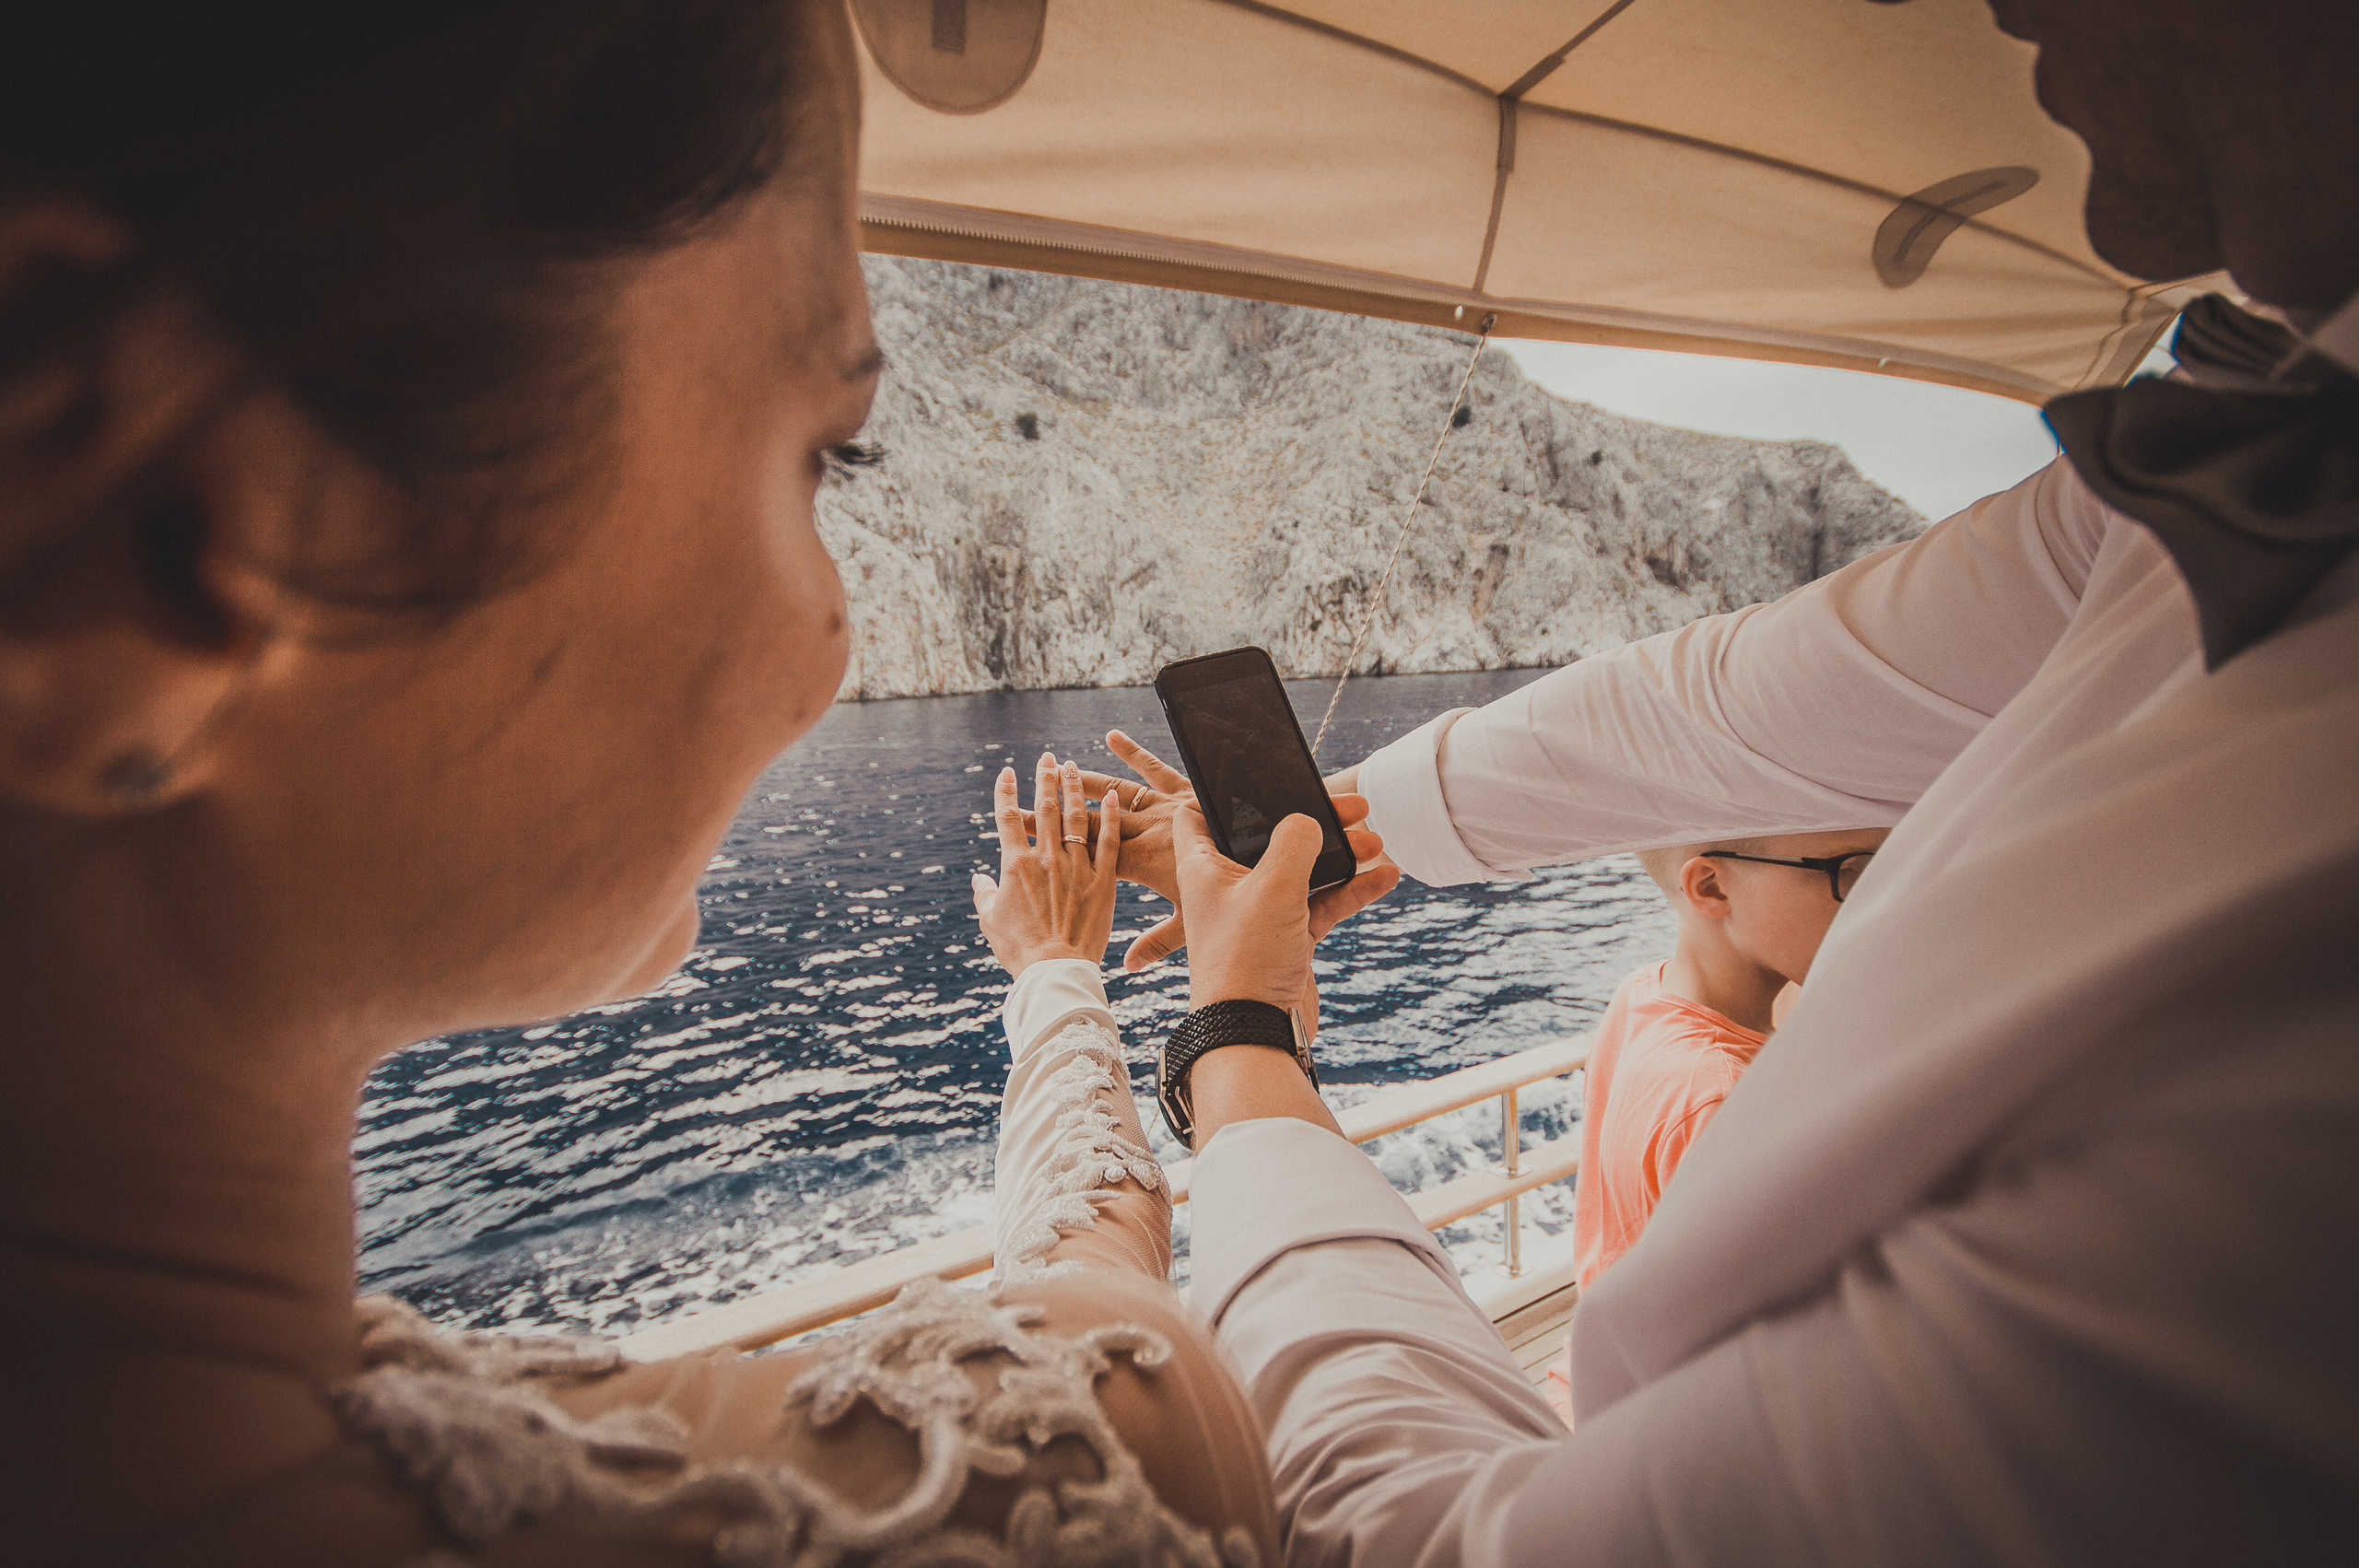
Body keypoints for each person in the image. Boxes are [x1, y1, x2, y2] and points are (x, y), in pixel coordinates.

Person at [0, 5, 1393, 1562]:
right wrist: (1133, 991)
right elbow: (1129, 1352)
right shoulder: (1080, 1470)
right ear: (135, 517)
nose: (829, 637)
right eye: (824, 455)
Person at [1088, 0, 2359, 1561]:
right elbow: (1769, 687)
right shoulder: (2263, 446)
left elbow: (1428, 1537)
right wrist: (1369, 825)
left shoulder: (2279, 1120)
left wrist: (1241, 1048)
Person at [1532, 828, 1888, 1425]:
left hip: (1600, 1390)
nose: (1883, 893)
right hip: (1663, 1433)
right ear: (1711, 886)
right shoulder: (1721, 1100)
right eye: (1851, 871)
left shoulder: (1645, 992)